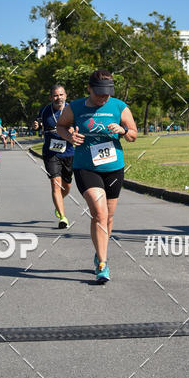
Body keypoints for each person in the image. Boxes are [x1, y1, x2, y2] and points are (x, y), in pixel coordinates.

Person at [56, 70, 137, 283]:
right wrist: (70, 136)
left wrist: (122, 130)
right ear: (89, 88)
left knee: (108, 217)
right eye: (99, 93)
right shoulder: (76, 107)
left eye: (107, 93)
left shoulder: (119, 106)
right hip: (86, 167)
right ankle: (103, 263)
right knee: (99, 214)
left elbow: (133, 135)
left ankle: (99, 251)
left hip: (113, 168)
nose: (104, 97)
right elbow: (61, 126)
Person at [39, 84, 75, 229]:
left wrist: (73, 130)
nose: (58, 98)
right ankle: (63, 217)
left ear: (65, 96)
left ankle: (58, 202)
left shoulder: (73, 110)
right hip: (51, 153)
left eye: (61, 95)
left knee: (67, 187)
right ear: (51, 97)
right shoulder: (45, 111)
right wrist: (36, 124)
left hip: (69, 152)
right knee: (55, 184)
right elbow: (38, 123)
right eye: (55, 95)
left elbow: (79, 127)